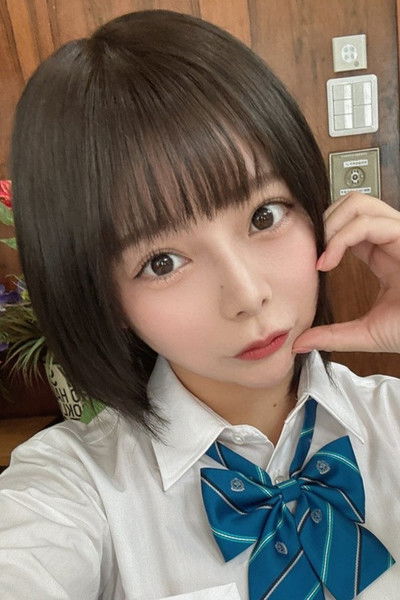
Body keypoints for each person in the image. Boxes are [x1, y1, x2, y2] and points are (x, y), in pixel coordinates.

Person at [0, 8, 399, 600]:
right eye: (162, 262)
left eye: (264, 215)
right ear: (105, 298)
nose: (247, 294)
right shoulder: (73, 489)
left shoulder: (392, 418)